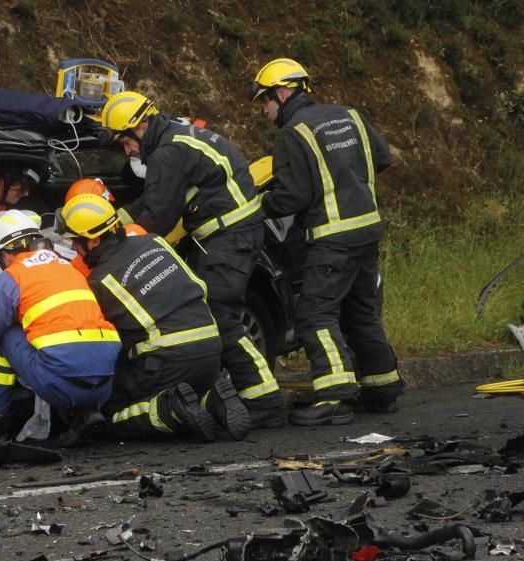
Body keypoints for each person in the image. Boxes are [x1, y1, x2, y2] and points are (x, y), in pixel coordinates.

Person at [97, 91, 284, 428]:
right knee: (218, 314)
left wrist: (114, 243)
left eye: (125, 142)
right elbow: (151, 202)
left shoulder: (167, 154)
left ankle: (264, 400)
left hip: (228, 238)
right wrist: (113, 220)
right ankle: (238, 394)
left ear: (139, 126)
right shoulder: (178, 134)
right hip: (234, 233)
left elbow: (157, 216)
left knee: (221, 317)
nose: (127, 152)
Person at [250, 58, 403, 425]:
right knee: (360, 312)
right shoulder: (349, 115)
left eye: (266, 102)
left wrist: (256, 207)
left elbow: (292, 197)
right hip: (367, 230)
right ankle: (383, 389)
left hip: (332, 237)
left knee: (314, 315)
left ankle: (335, 396)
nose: (265, 111)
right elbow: (381, 158)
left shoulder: (292, 135)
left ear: (283, 92)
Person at [59, 193, 250, 441]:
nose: (74, 248)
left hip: (168, 361)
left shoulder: (99, 281)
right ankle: (211, 399)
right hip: (212, 351)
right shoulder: (154, 242)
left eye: (76, 241)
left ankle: (169, 410)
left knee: (109, 413)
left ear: (93, 241)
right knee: (186, 386)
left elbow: (110, 341)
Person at [0, 210, 122, 443]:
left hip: (59, 384)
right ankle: (82, 414)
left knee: (5, 336)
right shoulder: (68, 266)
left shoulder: (11, 277)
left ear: (6, 253)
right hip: (105, 381)